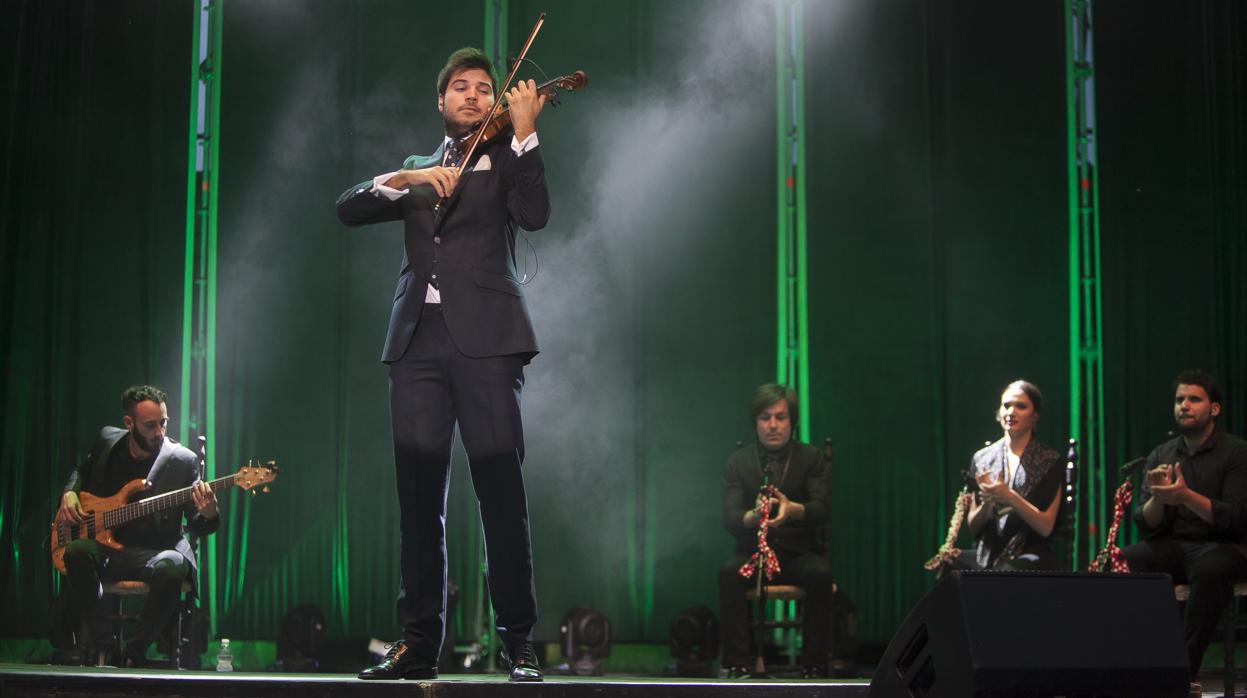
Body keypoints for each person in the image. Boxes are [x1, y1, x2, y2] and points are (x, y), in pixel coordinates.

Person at [337, 47, 549, 682]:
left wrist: (527, 130)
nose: (475, 96)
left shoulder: (508, 156)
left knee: (500, 494)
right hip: (416, 344)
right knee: (418, 501)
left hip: (486, 340)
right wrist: (407, 180)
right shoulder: (418, 168)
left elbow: (535, 215)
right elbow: (348, 208)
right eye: (461, 87)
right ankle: (417, 645)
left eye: (486, 89)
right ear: (441, 100)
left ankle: (519, 643)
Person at [56, 385, 218, 666]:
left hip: (155, 552)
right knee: (75, 552)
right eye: (151, 425)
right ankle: (104, 644)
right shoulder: (108, 440)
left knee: (173, 566)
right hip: (110, 550)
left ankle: (134, 652)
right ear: (129, 423)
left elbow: (197, 524)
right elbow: (82, 471)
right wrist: (69, 492)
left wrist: (209, 513)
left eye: (163, 423)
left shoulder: (182, 460)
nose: (160, 432)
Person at [1123, 370, 1247, 678]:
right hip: (1174, 547)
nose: (1184, 406)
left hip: (1224, 546)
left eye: (1194, 399)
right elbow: (1145, 522)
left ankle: (1182, 672)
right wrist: (1160, 499)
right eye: (1180, 400)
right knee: (1126, 559)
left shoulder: (1236, 452)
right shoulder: (1161, 454)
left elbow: (1235, 518)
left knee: (1209, 570)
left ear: (1214, 409)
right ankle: (1134, 660)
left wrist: (1185, 496)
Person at [719, 383, 833, 678]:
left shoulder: (812, 458)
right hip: (752, 555)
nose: (772, 425)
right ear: (755, 422)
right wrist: (753, 516)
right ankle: (738, 664)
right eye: (765, 417)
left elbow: (822, 509)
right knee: (728, 574)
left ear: (792, 423)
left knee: (821, 573)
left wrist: (791, 508)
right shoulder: (738, 462)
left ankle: (814, 665)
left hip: (797, 555)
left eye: (780, 417)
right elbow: (730, 517)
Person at [963, 380, 1064, 570]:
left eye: (1021, 406)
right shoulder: (982, 458)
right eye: (1006, 405)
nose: (1011, 412)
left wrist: (1009, 496)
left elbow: (1045, 527)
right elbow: (974, 527)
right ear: (999, 413)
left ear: (1035, 416)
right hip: (989, 551)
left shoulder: (1049, 460)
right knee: (948, 562)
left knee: (1006, 573)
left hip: (1030, 551)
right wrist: (988, 502)